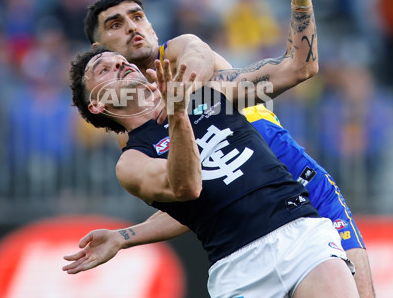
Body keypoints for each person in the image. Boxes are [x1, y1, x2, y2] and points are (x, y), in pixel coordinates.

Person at [65, 0, 375, 297]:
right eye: (115, 24)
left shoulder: (182, 56)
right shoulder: (131, 149)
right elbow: (194, 196)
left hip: (301, 192)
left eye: (139, 17)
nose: (133, 28)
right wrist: (127, 236)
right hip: (238, 248)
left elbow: (205, 55)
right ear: (97, 51)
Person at [66, 45, 359, 298]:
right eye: (102, 69)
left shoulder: (209, 92)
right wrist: (177, 113)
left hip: (299, 229)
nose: (119, 63)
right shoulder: (131, 162)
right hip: (238, 265)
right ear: (98, 104)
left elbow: (298, 67)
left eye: (121, 60)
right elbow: (189, 189)